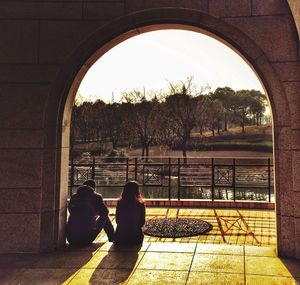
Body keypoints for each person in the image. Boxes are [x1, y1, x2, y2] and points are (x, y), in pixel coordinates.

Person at [66, 179, 114, 247]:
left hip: (71, 238)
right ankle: (112, 238)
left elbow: (71, 210)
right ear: (94, 189)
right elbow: (105, 212)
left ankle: (112, 238)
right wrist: (95, 214)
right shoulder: (96, 196)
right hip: (86, 239)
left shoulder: (74, 197)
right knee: (104, 216)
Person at [114, 181, 146, 245]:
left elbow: (117, 220)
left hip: (120, 238)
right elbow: (142, 222)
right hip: (135, 239)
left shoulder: (120, 203)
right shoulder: (140, 204)